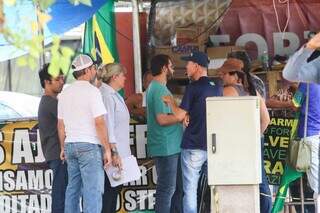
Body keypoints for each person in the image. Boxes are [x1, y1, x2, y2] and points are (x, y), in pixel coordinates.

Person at [163, 51, 223, 213]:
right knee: (216, 187)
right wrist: (189, 113)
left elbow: (179, 115)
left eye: (188, 64)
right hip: (214, 146)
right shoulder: (217, 86)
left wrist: (171, 103)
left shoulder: (193, 87)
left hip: (193, 146)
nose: (185, 67)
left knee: (190, 190)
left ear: (196, 66)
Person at [57, 54, 112, 213]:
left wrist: (62, 147)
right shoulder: (92, 91)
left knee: (73, 189)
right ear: (87, 70)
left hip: (70, 145)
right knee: (92, 191)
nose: (95, 70)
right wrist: (107, 149)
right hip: (89, 145)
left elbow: (60, 124)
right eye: (94, 68)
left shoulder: (65, 93)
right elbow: (99, 122)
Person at [217, 58, 271, 213]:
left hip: (237, 143)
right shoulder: (254, 91)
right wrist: (254, 136)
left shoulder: (229, 91)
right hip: (254, 141)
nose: (221, 76)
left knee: (237, 180)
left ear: (235, 75)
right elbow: (266, 119)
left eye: (224, 74)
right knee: (259, 177)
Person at [146, 54, 183, 213]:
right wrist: (180, 117)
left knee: (173, 189)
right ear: (164, 68)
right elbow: (161, 119)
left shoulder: (156, 87)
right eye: (171, 65)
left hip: (170, 146)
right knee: (166, 190)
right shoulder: (159, 88)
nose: (173, 68)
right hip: (166, 146)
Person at [97, 63, 131, 213]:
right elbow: (107, 125)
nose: (125, 78)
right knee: (109, 194)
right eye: (123, 75)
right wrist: (113, 152)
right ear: (114, 77)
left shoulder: (114, 95)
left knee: (114, 191)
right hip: (112, 153)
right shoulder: (106, 95)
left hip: (119, 151)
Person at [38, 64, 67, 213]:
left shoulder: (51, 102)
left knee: (63, 193)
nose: (62, 82)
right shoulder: (51, 103)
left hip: (56, 153)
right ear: (47, 82)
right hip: (58, 154)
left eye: (63, 78)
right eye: (58, 79)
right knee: (61, 194)